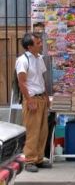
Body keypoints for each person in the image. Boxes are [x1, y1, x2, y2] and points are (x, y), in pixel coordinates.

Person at [15, 32, 52, 173]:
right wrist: (29, 100)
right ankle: (29, 160)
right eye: (37, 43)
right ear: (29, 47)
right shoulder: (23, 60)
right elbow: (22, 82)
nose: (40, 44)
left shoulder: (39, 59)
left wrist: (46, 96)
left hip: (41, 97)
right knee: (33, 131)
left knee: (43, 130)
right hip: (32, 98)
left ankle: (39, 158)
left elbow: (41, 79)